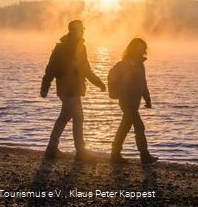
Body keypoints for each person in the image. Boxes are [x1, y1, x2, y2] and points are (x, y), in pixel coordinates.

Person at [40, 20, 106, 161]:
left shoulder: (81, 47)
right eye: (80, 29)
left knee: (64, 117)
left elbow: (86, 69)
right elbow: (51, 68)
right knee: (78, 116)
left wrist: (98, 83)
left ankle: (52, 148)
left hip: (75, 89)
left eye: (83, 29)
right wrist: (45, 87)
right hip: (67, 89)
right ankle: (80, 152)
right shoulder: (61, 48)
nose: (82, 31)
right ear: (71, 30)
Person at [111, 38, 158, 164]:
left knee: (124, 127)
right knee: (139, 126)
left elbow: (143, 83)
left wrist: (147, 98)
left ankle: (115, 154)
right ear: (133, 48)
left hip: (134, 102)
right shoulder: (127, 63)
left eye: (143, 47)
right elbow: (114, 76)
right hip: (126, 102)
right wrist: (119, 93)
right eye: (139, 47)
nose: (142, 49)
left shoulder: (140, 65)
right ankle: (145, 156)